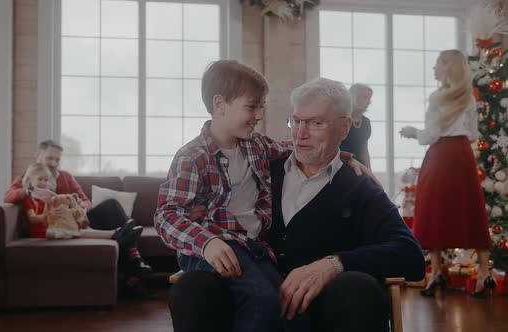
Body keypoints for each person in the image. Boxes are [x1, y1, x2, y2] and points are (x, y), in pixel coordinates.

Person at [168, 77, 425, 332]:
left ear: (345, 128)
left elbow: (410, 256)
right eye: (297, 121)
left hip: (321, 307)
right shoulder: (260, 168)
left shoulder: (359, 186)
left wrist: (333, 265)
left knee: (358, 288)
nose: (300, 133)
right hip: (246, 297)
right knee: (191, 287)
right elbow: (189, 206)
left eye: (315, 123)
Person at [4, 140, 155, 299]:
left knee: (112, 205)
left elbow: (85, 200)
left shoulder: (66, 177)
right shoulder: (27, 178)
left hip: (76, 219)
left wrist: (81, 207)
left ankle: (133, 263)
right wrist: (31, 191)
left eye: (57, 160)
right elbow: (8, 197)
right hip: (53, 224)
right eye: (49, 158)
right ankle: (134, 268)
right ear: (38, 157)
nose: (53, 163)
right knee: (124, 232)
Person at [400, 49, 494, 298]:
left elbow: (430, 136)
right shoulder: (469, 98)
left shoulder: (437, 97)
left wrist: (412, 132)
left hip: (440, 157)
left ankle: (436, 273)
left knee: (433, 211)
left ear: (447, 67)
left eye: (436, 65)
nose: (433, 69)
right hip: (462, 156)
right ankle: (485, 274)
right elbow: (473, 134)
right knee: (471, 211)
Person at [340, 83, 373, 167]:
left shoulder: (366, 122)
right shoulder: (340, 119)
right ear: (354, 97)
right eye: (365, 97)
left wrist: (369, 173)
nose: (369, 102)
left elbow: (364, 151)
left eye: (369, 98)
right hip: (340, 165)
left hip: (359, 167)